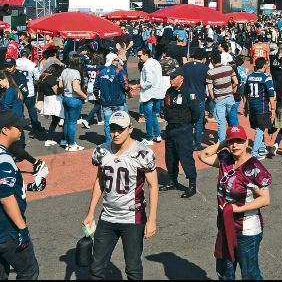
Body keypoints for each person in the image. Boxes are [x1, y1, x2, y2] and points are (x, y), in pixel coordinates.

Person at [82, 110, 158, 280]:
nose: (116, 133)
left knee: (133, 269)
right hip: (108, 216)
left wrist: (152, 219)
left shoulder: (143, 153)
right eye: (112, 129)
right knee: (96, 268)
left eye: (120, 129)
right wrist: (90, 212)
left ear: (130, 129)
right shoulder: (101, 151)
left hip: (132, 218)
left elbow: (153, 185)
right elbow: (100, 181)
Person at [199, 125, 272, 280]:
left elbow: (265, 199)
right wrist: (224, 143)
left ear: (246, 142)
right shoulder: (225, 160)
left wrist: (238, 209)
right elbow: (203, 155)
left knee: (249, 274)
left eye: (239, 141)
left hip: (247, 230)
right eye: (232, 142)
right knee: (224, 272)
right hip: (225, 225)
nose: (235, 145)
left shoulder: (254, 168)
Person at [0, 111, 39, 279]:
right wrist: (22, 228)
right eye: (17, 126)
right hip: (4, 229)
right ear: (5, 130)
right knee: (29, 271)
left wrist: (30, 187)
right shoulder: (2, 159)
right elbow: (6, 199)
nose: (21, 130)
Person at [158, 68, 199, 198]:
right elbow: (165, 106)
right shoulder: (169, 92)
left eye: (173, 78)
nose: (171, 80)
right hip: (170, 128)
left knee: (185, 157)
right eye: (170, 78)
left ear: (181, 78)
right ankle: (172, 181)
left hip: (183, 129)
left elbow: (196, 112)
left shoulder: (189, 92)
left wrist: (188, 123)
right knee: (170, 157)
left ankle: (192, 185)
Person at [244, 58, 276, 161]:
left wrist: (245, 106)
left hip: (252, 106)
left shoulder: (250, 77)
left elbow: (246, 93)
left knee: (258, 128)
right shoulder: (266, 77)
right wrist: (273, 109)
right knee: (260, 129)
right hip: (261, 107)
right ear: (264, 66)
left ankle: (261, 149)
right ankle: (254, 153)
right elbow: (271, 95)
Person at [94, 53, 130, 141]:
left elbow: (95, 87)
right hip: (119, 101)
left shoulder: (100, 72)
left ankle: (109, 142)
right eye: (117, 60)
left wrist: (97, 96)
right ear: (113, 61)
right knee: (122, 121)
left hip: (105, 102)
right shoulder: (119, 71)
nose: (118, 62)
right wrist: (128, 92)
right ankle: (122, 141)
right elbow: (125, 85)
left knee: (107, 123)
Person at [180, 49, 210, 151]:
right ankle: (197, 144)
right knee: (199, 121)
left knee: (187, 120)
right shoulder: (205, 68)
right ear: (203, 58)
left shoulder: (185, 66)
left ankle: (186, 141)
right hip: (199, 96)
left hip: (187, 96)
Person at [207, 52, 239, 143]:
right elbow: (236, 82)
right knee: (233, 119)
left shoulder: (210, 72)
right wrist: (230, 89)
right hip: (230, 98)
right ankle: (235, 138)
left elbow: (210, 88)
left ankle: (222, 142)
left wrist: (213, 98)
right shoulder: (229, 68)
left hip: (219, 99)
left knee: (221, 122)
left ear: (212, 61)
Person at [60, 55, 89, 152]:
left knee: (67, 121)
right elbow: (76, 88)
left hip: (66, 98)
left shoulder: (65, 71)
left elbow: (61, 85)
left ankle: (66, 142)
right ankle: (71, 144)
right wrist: (85, 96)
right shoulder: (76, 72)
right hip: (74, 99)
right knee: (72, 123)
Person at [13, 50, 44, 135]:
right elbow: (38, 78)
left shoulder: (15, 62)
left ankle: (18, 125)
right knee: (31, 109)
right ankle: (36, 126)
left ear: (20, 54)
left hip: (17, 89)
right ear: (29, 55)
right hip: (29, 89)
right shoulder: (32, 64)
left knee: (18, 108)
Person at [138, 47, 165, 145]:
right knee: (153, 114)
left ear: (146, 55)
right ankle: (157, 135)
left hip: (149, 93)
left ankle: (149, 138)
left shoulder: (147, 65)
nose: (139, 57)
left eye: (140, 55)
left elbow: (148, 82)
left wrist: (139, 85)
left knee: (148, 116)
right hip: (157, 92)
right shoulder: (156, 62)